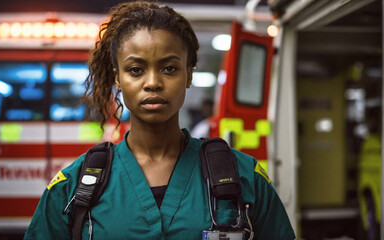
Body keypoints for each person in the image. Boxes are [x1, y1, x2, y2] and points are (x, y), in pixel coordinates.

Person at [24, 1, 296, 239]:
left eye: (169, 68)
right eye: (135, 70)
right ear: (118, 78)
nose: (153, 82)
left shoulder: (245, 177)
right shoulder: (72, 188)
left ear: (189, 74)